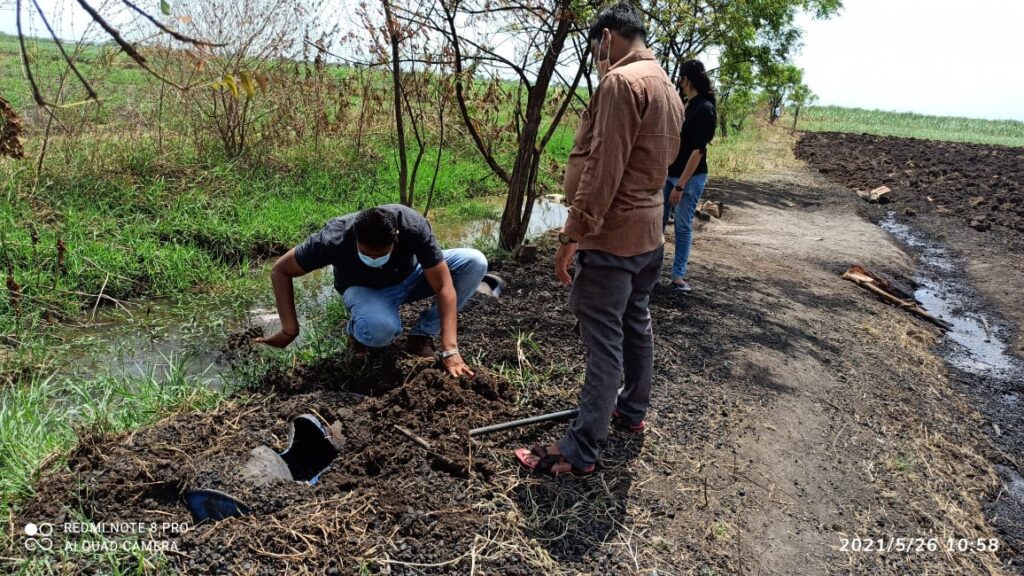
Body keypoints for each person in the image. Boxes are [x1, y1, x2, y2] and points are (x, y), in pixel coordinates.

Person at [514, 2, 683, 475]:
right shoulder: (666, 84)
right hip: (649, 235)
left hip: (611, 238)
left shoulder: (622, 83)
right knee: (636, 324)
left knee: (604, 342)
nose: (597, 64)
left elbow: (605, 168)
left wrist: (573, 233)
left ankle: (580, 449)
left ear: (606, 37)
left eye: (595, 54)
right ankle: (631, 412)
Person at [255, 204, 487, 378]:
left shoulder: (412, 226)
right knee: (379, 332)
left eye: (381, 253)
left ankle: (420, 336)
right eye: (367, 253)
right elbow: (280, 270)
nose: (374, 258)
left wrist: (450, 349)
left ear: (396, 237)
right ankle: (356, 332)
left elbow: (444, 286)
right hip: (365, 289)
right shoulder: (332, 239)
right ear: (355, 238)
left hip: (410, 275)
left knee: (475, 262)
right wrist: (289, 330)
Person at [663, 59, 717, 292]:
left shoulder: (705, 108)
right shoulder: (687, 104)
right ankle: (649, 270)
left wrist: (680, 186)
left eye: (681, 79)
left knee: (682, 226)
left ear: (687, 79)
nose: (680, 84)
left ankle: (678, 276)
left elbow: (698, 151)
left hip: (690, 178)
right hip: (670, 174)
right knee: (657, 222)